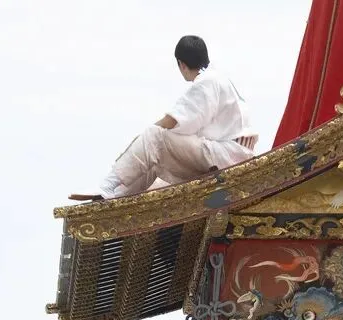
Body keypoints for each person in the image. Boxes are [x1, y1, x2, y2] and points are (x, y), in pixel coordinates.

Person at [71, 36, 256, 201]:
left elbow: (174, 122)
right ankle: (115, 197)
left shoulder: (207, 81)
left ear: (181, 64)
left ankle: (107, 186)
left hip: (226, 155)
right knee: (153, 159)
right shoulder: (218, 78)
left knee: (154, 137)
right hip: (229, 153)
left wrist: (143, 138)